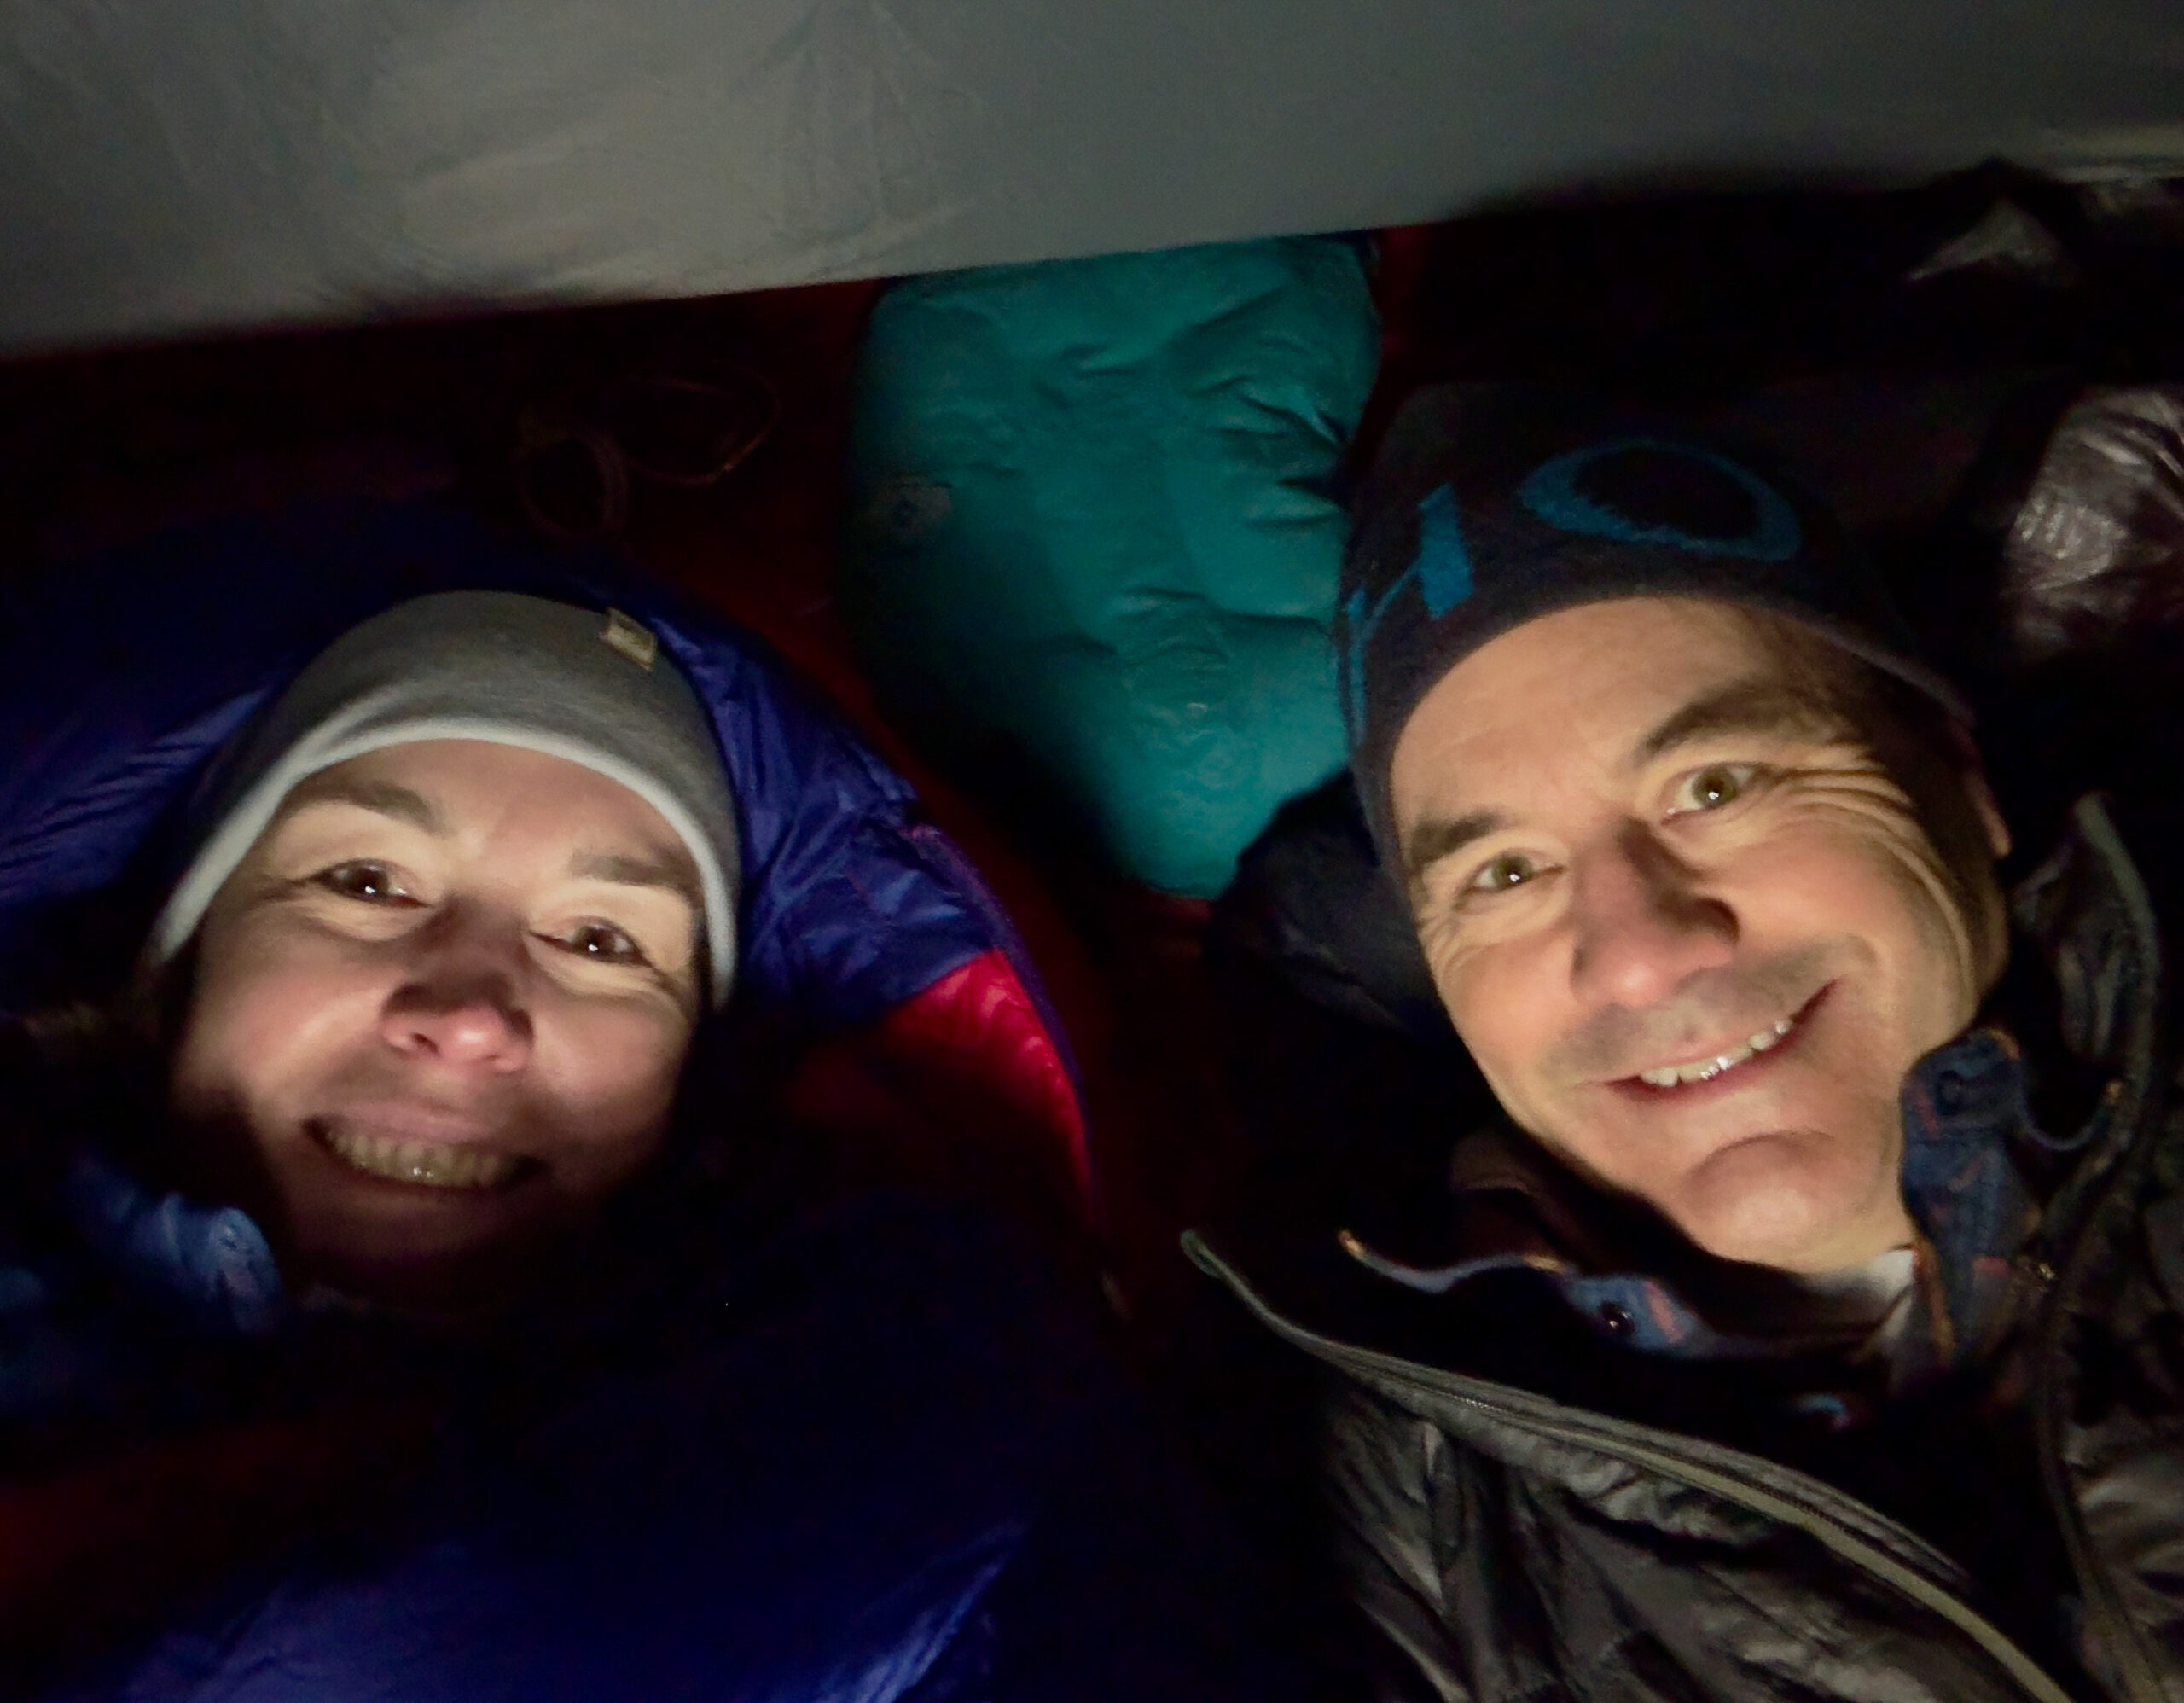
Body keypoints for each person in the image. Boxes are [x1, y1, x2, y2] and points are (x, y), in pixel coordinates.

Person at [0, 500, 1280, 1700]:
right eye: (369, 881)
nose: (470, 1015)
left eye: (604, 943)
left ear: (689, 1082)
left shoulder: (914, 1388)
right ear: (177, 958)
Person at [1190, 383, 2184, 1703]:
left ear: (1961, 778)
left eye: (1714, 785)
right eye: (1503, 874)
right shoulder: (1375, 1499)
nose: (1641, 949)